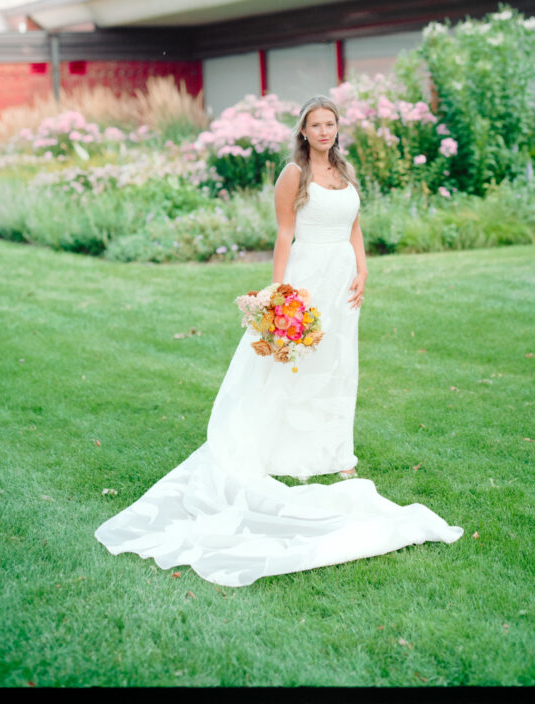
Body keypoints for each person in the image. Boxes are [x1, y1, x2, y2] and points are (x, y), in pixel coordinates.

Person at [95, 95, 463, 587]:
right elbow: (285, 233)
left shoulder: (346, 170)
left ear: (337, 128)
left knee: (335, 365)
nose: (325, 131)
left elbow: (354, 224)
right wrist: (279, 293)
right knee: (289, 364)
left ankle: (331, 453)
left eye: (331, 123)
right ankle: (271, 449)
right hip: (308, 276)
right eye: (316, 125)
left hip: (343, 281)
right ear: (304, 131)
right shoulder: (295, 174)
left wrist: (364, 268)